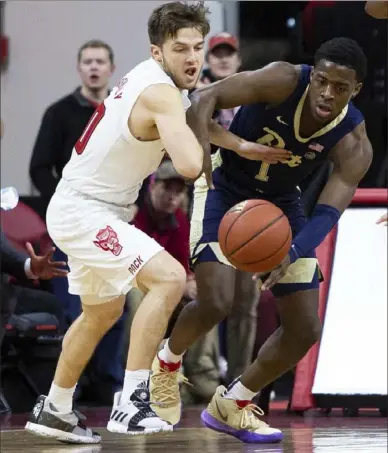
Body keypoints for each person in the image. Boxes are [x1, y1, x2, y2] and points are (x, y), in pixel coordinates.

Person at [24, 1, 286, 444]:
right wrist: (205, 144)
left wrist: (241, 145)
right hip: (86, 209)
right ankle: (131, 404)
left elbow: (192, 121)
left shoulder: (156, 82)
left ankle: (55, 408)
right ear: (157, 51)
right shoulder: (161, 92)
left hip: (85, 207)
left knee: (100, 313)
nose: (192, 58)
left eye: (198, 47)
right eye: (180, 48)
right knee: (167, 278)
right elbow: (187, 163)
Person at [150, 37, 373, 443]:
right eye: (322, 81)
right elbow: (204, 97)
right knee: (217, 301)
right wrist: (210, 149)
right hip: (224, 186)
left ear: (355, 90)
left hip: (280, 206)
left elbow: (327, 212)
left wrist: (292, 252)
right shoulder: (281, 80)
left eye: (340, 88)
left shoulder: (354, 142)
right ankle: (166, 364)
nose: (327, 93)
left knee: (305, 327)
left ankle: (233, 403)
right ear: (312, 75)